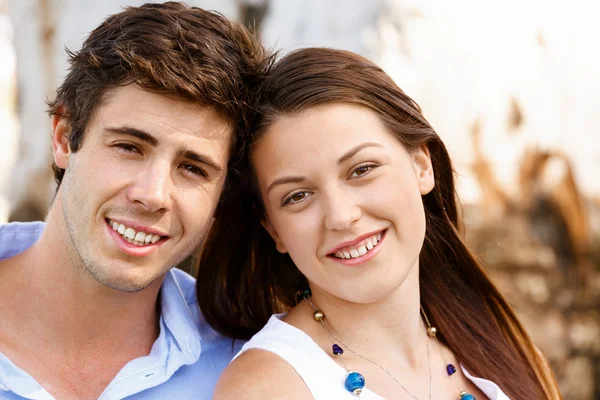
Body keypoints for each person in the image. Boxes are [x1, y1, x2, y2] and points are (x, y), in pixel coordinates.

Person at [199, 48, 562, 399]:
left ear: (422, 165)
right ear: (273, 228)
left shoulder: (493, 346)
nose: (341, 216)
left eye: (362, 170)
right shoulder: (268, 388)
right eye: (298, 196)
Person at [0, 2, 267, 399]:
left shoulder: (251, 368)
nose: (153, 195)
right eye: (128, 147)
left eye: (193, 168)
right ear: (63, 138)